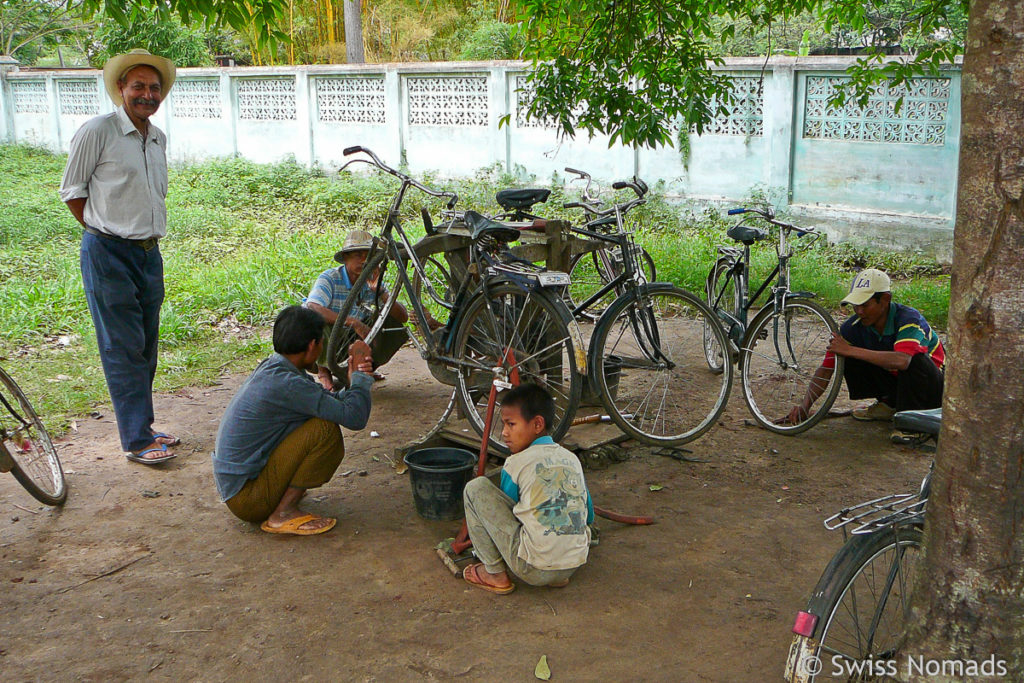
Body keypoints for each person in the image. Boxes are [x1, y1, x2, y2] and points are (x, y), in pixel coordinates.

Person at [59, 49, 179, 465]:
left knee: (145, 345)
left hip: (149, 253)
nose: (147, 94)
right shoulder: (98, 131)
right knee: (122, 347)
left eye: (154, 88)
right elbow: (73, 191)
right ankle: (136, 440)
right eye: (138, 87)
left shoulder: (157, 137)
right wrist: (103, 231)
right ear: (120, 90)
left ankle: (142, 427)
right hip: (108, 251)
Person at [213, 305, 374, 535]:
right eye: (320, 343)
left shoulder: (276, 368)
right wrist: (359, 378)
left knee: (319, 421)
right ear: (312, 346)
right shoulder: (289, 384)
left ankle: (281, 500)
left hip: (239, 488)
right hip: (247, 499)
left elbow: (330, 403)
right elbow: (354, 417)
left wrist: (353, 380)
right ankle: (283, 512)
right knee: (324, 430)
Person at [461, 383, 594, 594]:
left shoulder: (516, 462)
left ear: (537, 424)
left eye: (510, 424)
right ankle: (557, 575)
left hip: (532, 568)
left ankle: (494, 574)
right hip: (574, 564)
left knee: (475, 488)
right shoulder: (571, 459)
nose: (504, 433)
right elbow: (589, 516)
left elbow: (507, 516)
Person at [787, 268, 945, 442]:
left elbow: (902, 360)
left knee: (914, 358)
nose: (859, 311)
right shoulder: (852, 328)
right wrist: (805, 406)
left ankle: (915, 424)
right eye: (856, 305)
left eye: (865, 305)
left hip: (934, 390)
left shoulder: (909, 319)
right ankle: (890, 404)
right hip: (899, 386)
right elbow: (826, 369)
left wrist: (851, 350)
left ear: (885, 300)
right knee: (845, 356)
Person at [303, 230, 411, 387]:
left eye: (368, 256)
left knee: (393, 326)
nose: (364, 260)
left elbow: (402, 317)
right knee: (316, 320)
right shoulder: (330, 278)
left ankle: (364, 368)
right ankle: (323, 371)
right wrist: (352, 322)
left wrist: (380, 292)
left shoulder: (372, 281)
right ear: (346, 258)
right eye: (358, 255)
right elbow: (313, 306)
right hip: (329, 338)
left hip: (352, 338)